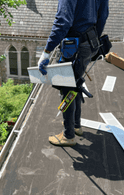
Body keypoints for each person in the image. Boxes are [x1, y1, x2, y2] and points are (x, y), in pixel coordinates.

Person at [38, 0, 109, 147]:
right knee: (75, 83)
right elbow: (103, 15)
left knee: (66, 88)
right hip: (90, 41)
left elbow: (63, 22)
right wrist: (93, 39)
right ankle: (76, 126)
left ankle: (68, 135)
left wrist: (47, 52)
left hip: (75, 46)